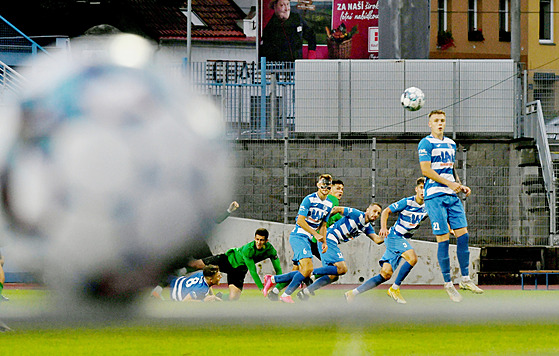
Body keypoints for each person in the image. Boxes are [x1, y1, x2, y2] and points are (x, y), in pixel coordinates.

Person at [418, 110, 483, 302]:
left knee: (463, 236)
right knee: (443, 240)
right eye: (436, 121)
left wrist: (459, 184)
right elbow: (426, 170)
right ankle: (448, 283)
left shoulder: (451, 144)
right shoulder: (426, 143)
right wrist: (449, 184)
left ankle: (465, 279)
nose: (440, 123)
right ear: (429, 124)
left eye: (442, 120)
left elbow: (450, 169)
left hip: (451, 195)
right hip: (434, 196)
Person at [345, 178, 428, 304]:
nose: (423, 191)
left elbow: (440, 216)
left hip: (402, 240)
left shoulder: (429, 205)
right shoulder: (407, 201)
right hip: (395, 236)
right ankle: (395, 289)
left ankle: (352, 293)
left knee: (385, 274)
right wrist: (383, 227)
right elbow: (386, 211)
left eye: (426, 188)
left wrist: (449, 229)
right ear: (416, 189)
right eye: (421, 187)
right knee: (412, 258)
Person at [267, 179, 345, 301]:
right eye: (337, 188)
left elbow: (324, 222)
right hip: (313, 241)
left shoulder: (327, 201)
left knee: (298, 269)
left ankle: (275, 290)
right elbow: (330, 221)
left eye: (342, 189)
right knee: (336, 270)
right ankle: (307, 286)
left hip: (310, 239)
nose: (340, 191)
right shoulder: (331, 200)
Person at [151, 201, 239, 299]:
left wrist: (228, 211)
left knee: (182, 267)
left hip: (183, 243)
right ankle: (209, 294)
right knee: (210, 266)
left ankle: (158, 289)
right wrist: (229, 211)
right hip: (193, 243)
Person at [297, 202, 383, 300]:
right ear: (368, 209)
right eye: (374, 211)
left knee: (333, 276)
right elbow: (336, 209)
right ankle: (307, 274)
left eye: (378, 213)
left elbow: (377, 240)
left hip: (330, 242)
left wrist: (391, 233)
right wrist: (322, 223)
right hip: (328, 239)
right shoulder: (357, 214)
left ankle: (305, 292)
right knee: (342, 269)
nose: (376, 214)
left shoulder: (367, 227)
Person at [189, 228, 282, 301]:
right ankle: (179, 266)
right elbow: (253, 271)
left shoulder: (271, 251)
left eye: (261, 240)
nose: (258, 242)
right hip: (227, 260)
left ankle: (219, 297)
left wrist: (278, 287)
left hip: (239, 270)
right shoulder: (249, 249)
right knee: (196, 265)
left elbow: (278, 269)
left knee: (233, 298)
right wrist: (262, 289)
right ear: (254, 238)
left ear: (266, 240)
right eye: (257, 239)